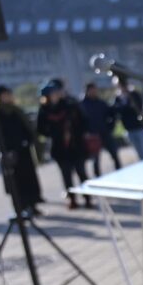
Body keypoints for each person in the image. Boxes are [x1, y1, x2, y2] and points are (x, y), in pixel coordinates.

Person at [0, 85, 43, 215]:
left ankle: (32, 205)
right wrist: (6, 148)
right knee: (15, 182)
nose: (7, 97)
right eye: (4, 95)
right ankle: (20, 208)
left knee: (29, 179)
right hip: (10, 152)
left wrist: (28, 140)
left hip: (23, 150)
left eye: (8, 94)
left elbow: (27, 128)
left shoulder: (16, 110)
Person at [36, 79, 89, 208]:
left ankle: (88, 197)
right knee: (66, 175)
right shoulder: (44, 110)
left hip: (75, 146)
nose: (56, 94)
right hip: (59, 148)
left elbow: (83, 121)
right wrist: (54, 133)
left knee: (81, 172)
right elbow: (41, 129)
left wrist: (76, 132)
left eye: (57, 92)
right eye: (53, 93)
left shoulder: (70, 104)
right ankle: (72, 199)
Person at [80, 82, 120, 177]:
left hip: (105, 133)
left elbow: (111, 114)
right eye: (91, 90)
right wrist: (86, 132)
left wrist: (110, 127)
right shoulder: (82, 105)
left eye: (95, 90)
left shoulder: (101, 103)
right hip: (93, 136)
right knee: (96, 159)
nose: (94, 92)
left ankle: (120, 172)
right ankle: (98, 176)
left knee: (114, 154)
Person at [113, 78, 143, 161]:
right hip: (129, 129)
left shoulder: (134, 94)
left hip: (140, 127)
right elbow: (117, 111)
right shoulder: (118, 98)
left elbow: (140, 108)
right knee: (140, 154)